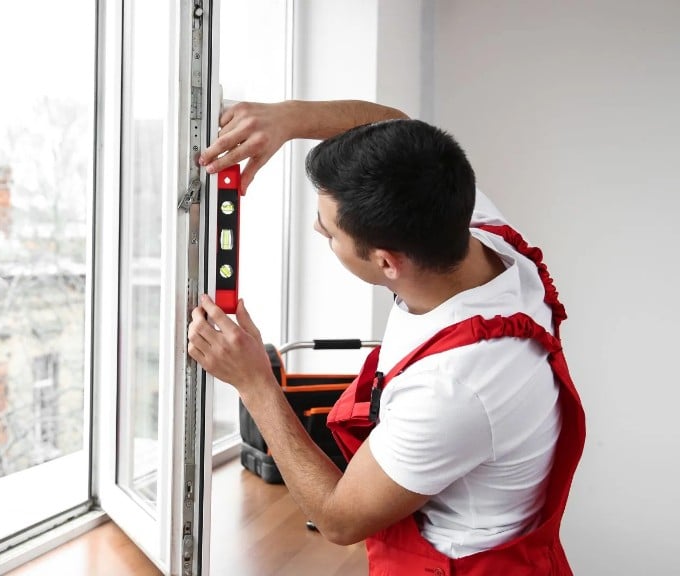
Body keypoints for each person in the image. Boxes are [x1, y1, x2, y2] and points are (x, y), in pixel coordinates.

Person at [187, 100, 585, 575]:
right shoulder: (467, 231)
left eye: (329, 232)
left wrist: (254, 383)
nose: (317, 228)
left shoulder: (456, 384)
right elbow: (398, 130)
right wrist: (288, 121)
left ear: (386, 262)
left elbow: (339, 518)